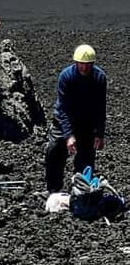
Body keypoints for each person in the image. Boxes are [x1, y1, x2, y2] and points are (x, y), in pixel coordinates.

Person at [44, 44, 107, 194]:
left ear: (93, 63)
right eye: (81, 64)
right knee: (55, 151)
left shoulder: (99, 78)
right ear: (75, 62)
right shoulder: (66, 76)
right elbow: (63, 108)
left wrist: (99, 133)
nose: (84, 68)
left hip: (86, 122)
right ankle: (53, 190)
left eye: (88, 64)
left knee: (86, 157)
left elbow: (100, 107)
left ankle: (82, 191)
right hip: (64, 120)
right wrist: (69, 135)